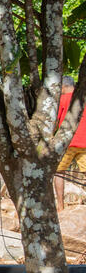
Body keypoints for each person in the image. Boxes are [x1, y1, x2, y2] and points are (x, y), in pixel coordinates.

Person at [56, 76, 86, 209]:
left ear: (63, 87)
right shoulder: (83, 98)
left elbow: (56, 121)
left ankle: (60, 206)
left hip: (67, 142)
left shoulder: (63, 99)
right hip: (84, 142)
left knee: (59, 172)